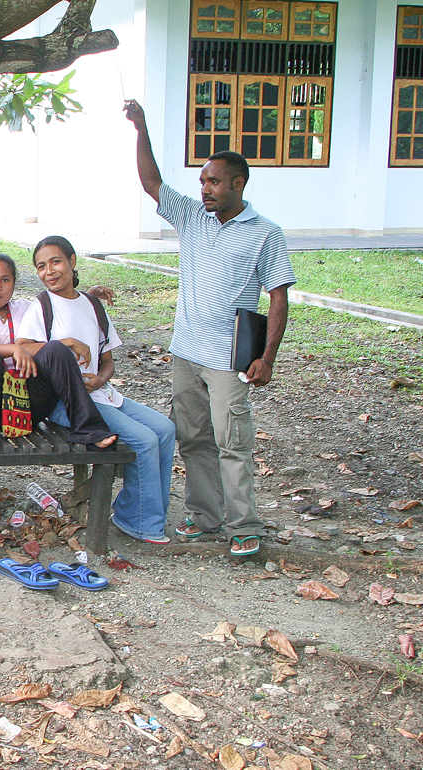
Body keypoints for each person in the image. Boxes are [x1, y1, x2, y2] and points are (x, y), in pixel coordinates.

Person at [124, 100, 296, 557]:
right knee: (194, 439)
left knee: (232, 442)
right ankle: (205, 516)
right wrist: (141, 127)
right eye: (201, 181)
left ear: (239, 183)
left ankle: (245, 526)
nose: (204, 189)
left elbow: (278, 297)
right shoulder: (193, 220)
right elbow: (151, 182)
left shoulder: (265, 232)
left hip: (230, 359)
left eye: (214, 181)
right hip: (186, 351)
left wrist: (267, 358)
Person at [19, 236, 177, 544]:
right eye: (41, 266)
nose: (49, 271)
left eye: (55, 262)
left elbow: (107, 361)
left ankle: (135, 513)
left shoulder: (92, 304)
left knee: (165, 429)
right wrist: (64, 344)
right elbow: (24, 348)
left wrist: (101, 380)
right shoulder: (42, 305)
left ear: (72, 262)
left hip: (100, 394)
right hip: (67, 402)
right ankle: (144, 523)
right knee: (143, 440)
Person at [0, 252, 117, 461]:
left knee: (55, 349)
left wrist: (88, 295)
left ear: (14, 283)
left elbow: (61, 309)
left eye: (5, 280)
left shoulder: (27, 308)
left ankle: (89, 430)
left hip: (30, 401)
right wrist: (15, 349)